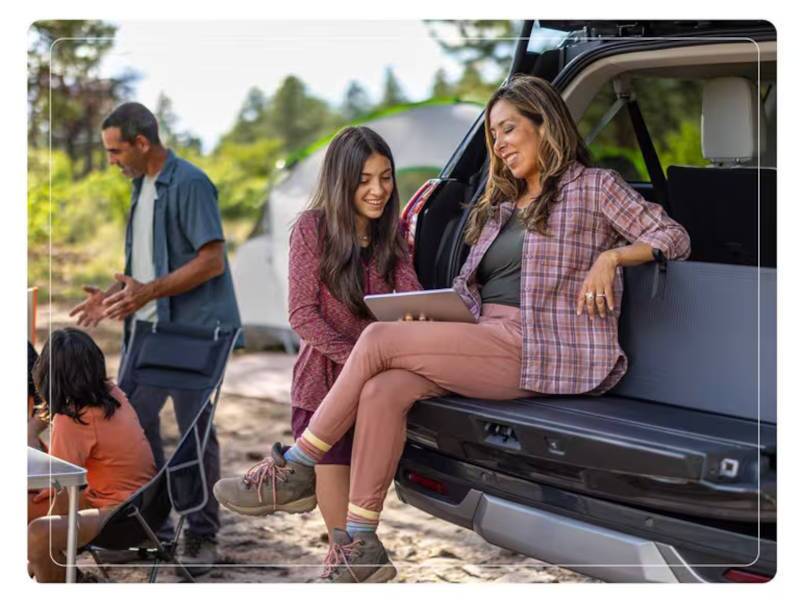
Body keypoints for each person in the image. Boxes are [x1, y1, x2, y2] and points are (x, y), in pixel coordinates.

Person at [213, 74, 691, 583]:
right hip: (486, 335)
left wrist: (612, 258)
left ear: (543, 124)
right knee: (383, 387)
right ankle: (361, 542)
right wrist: (432, 317)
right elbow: (470, 290)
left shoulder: (593, 187)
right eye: (494, 136)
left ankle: (296, 463)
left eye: (509, 129)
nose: (500, 145)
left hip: (542, 345)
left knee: (377, 339)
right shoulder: (501, 206)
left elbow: (672, 236)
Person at [214, 127, 422, 577]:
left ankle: (345, 558)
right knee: (339, 525)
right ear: (340, 180)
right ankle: (344, 565)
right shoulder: (313, 229)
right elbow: (302, 315)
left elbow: (411, 302)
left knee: (361, 509)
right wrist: (359, 362)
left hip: (377, 391)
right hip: (322, 384)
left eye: (385, 178)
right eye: (364, 179)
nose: (378, 190)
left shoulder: (394, 235)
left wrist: (412, 321)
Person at [69, 102, 241, 574]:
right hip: (148, 327)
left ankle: (201, 535)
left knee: (192, 435)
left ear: (142, 143)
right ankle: (152, 533)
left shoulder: (190, 183)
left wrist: (148, 291)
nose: (111, 161)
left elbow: (211, 261)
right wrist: (110, 296)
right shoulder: (141, 186)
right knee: (130, 428)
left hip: (195, 332)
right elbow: (146, 271)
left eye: (115, 151)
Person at [27, 329, 156, 583]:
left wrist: (36, 552)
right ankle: (71, 576)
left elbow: (61, 491)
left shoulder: (72, 420)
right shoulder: (112, 393)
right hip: (150, 504)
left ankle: (61, 579)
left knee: (37, 533)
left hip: (120, 518)